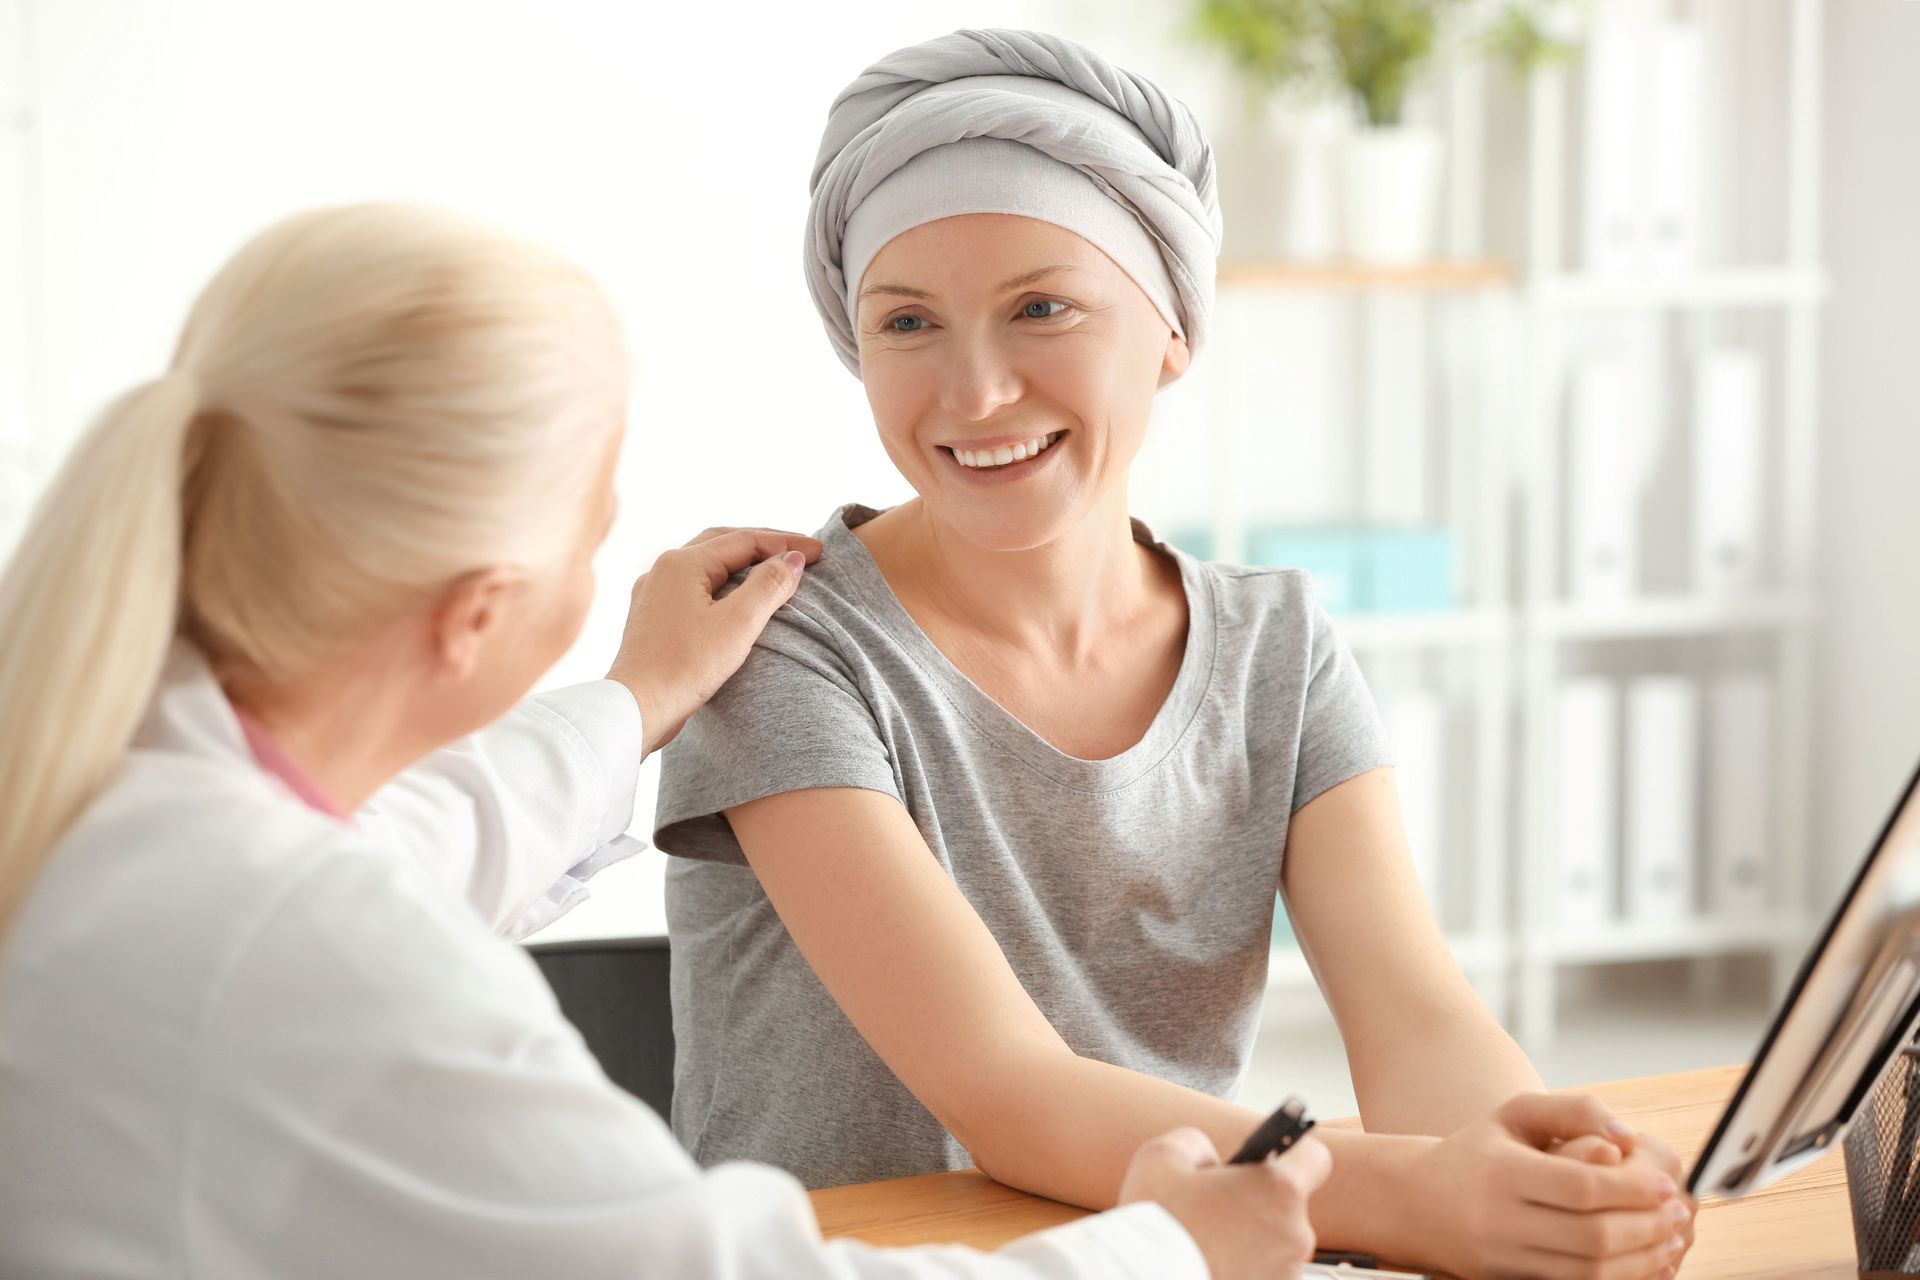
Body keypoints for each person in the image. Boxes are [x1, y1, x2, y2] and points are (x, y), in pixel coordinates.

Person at [0, 202, 1331, 1279]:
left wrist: (638, 697)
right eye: (593, 535)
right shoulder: (318, 952)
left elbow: (437, 828)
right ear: (478, 614)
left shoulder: (123, 788)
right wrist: (1168, 1251)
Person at [653, 30, 1697, 1280]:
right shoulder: (786, 650)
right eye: (908, 321)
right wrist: (1421, 1196)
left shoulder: (1278, 647)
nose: (975, 389)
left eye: (1042, 307)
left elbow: (1413, 1007)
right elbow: (1007, 1089)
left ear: (1172, 332)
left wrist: (1531, 1166)